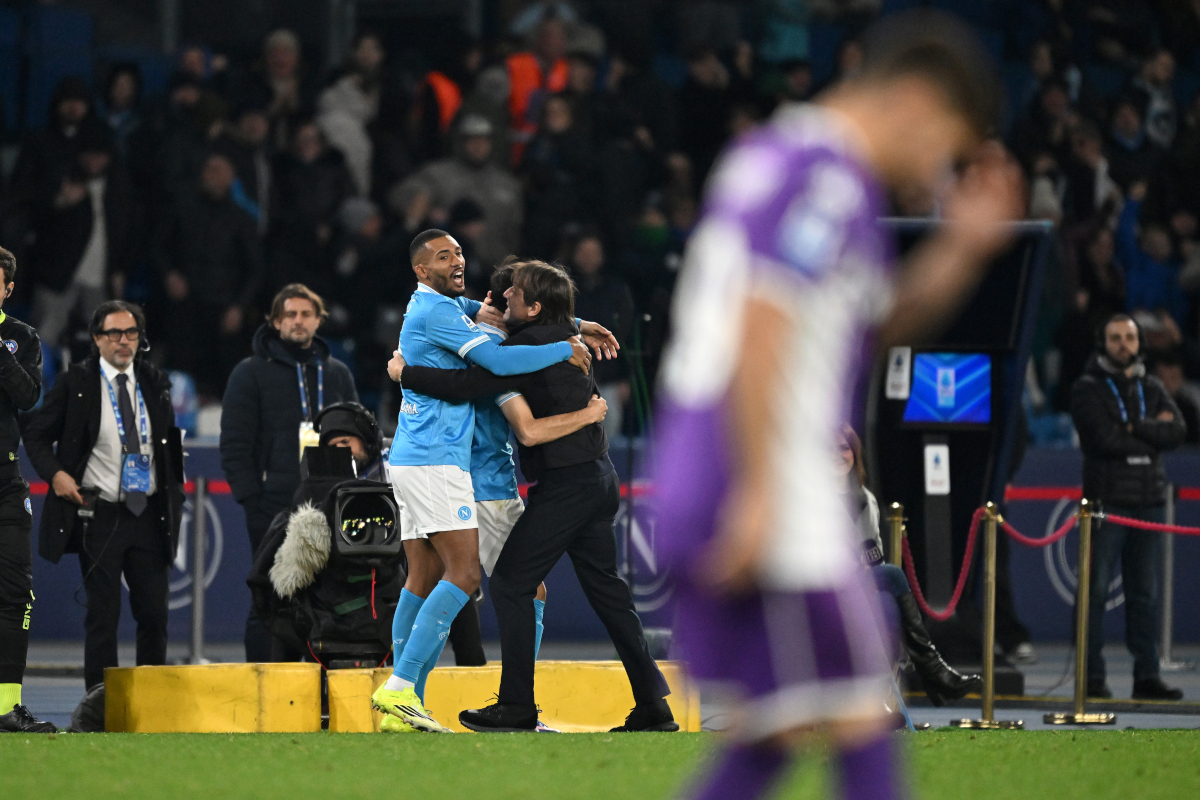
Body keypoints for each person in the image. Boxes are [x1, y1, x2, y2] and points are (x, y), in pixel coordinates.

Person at [651, 11, 1023, 800]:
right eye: (945, 149)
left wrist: (960, 248)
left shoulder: (797, 163)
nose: (936, 177)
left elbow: (866, 327)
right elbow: (762, 320)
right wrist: (755, 494)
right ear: (917, 98)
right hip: (762, 483)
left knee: (785, 732)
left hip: (748, 475)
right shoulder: (826, 173)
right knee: (861, 718)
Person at [369, 230, 591, 733]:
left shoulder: (449, 309)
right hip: (448, 464)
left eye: (460, 252)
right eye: (444, 256)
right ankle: (406, 688)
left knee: (423, 578)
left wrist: (574, 322)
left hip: (414, 454)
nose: (458, 261)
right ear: (421, 271)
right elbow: (494, 369)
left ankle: (405, 706)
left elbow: (484, 310)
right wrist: (565, 348)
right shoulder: (454, 321)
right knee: (471, 577)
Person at [456, 260, 675, 734]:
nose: (504, 297)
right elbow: (548, 325)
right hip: (598, 479)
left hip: (567, 485)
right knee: (610, 594)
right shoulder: (562, 342)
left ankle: (516, 706)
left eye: (514, 293)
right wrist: (575, 327)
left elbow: (500, 400)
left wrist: (405, 371)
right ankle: (654, 706)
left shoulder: (523, 348)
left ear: (534, 308)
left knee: (512, 583)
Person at [22, 301, 184, 697]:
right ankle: (100, 703)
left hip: (147, 512)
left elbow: (166, 443)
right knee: (102, 616)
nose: (123, 341)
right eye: (114, 333)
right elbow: (36, 433)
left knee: (153, 614)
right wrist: (56, 474)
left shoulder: (154, 380)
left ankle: (150, 702)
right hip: (102, 513)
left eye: (131, 333)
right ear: (97, 339)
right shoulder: (75, 382)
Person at [220, 284, 358, 661]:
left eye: (306, 314)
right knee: (270, 597)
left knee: (328, 600)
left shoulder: (338, 373)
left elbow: (357, 435)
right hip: (273, 505)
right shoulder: (249, 373)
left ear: (318, 320)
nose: (299, 321)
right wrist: (253, 501)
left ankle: (318, 693)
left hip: (331, 506)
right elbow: (234, 444)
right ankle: (266, 690)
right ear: (276, 321)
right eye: (290, 314)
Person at [1070, 313, 1186, 700]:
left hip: (1149, 501)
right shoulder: (1087, 389)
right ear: (1103, 343)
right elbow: (1103, 439)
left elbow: (1178, 430)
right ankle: (1091, 677)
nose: (1124, 344)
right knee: (1095, 591)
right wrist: (1150, 431)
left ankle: (1146, 677)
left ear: (1140, 344)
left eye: (1130, 338)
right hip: (1108, 503)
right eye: (1116, 337)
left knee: (1145, 595)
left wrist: (1135, 429)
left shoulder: (1152, 385)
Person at [837, 426, 981, 706]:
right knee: (892, 574)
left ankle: (878, 700)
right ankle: (933, 671)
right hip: (821, 585)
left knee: (889, 607)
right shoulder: (811, 498)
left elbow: (872, 555)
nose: (837, 455)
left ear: (855, 454)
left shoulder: (865, 498)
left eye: (844, 448)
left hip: (857, 584)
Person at [0, 246, 51, 733]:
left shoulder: (19, 338)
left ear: (7, 289)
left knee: (16, 595)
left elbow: (29, 396)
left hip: (4, 483)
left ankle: (4, 708)